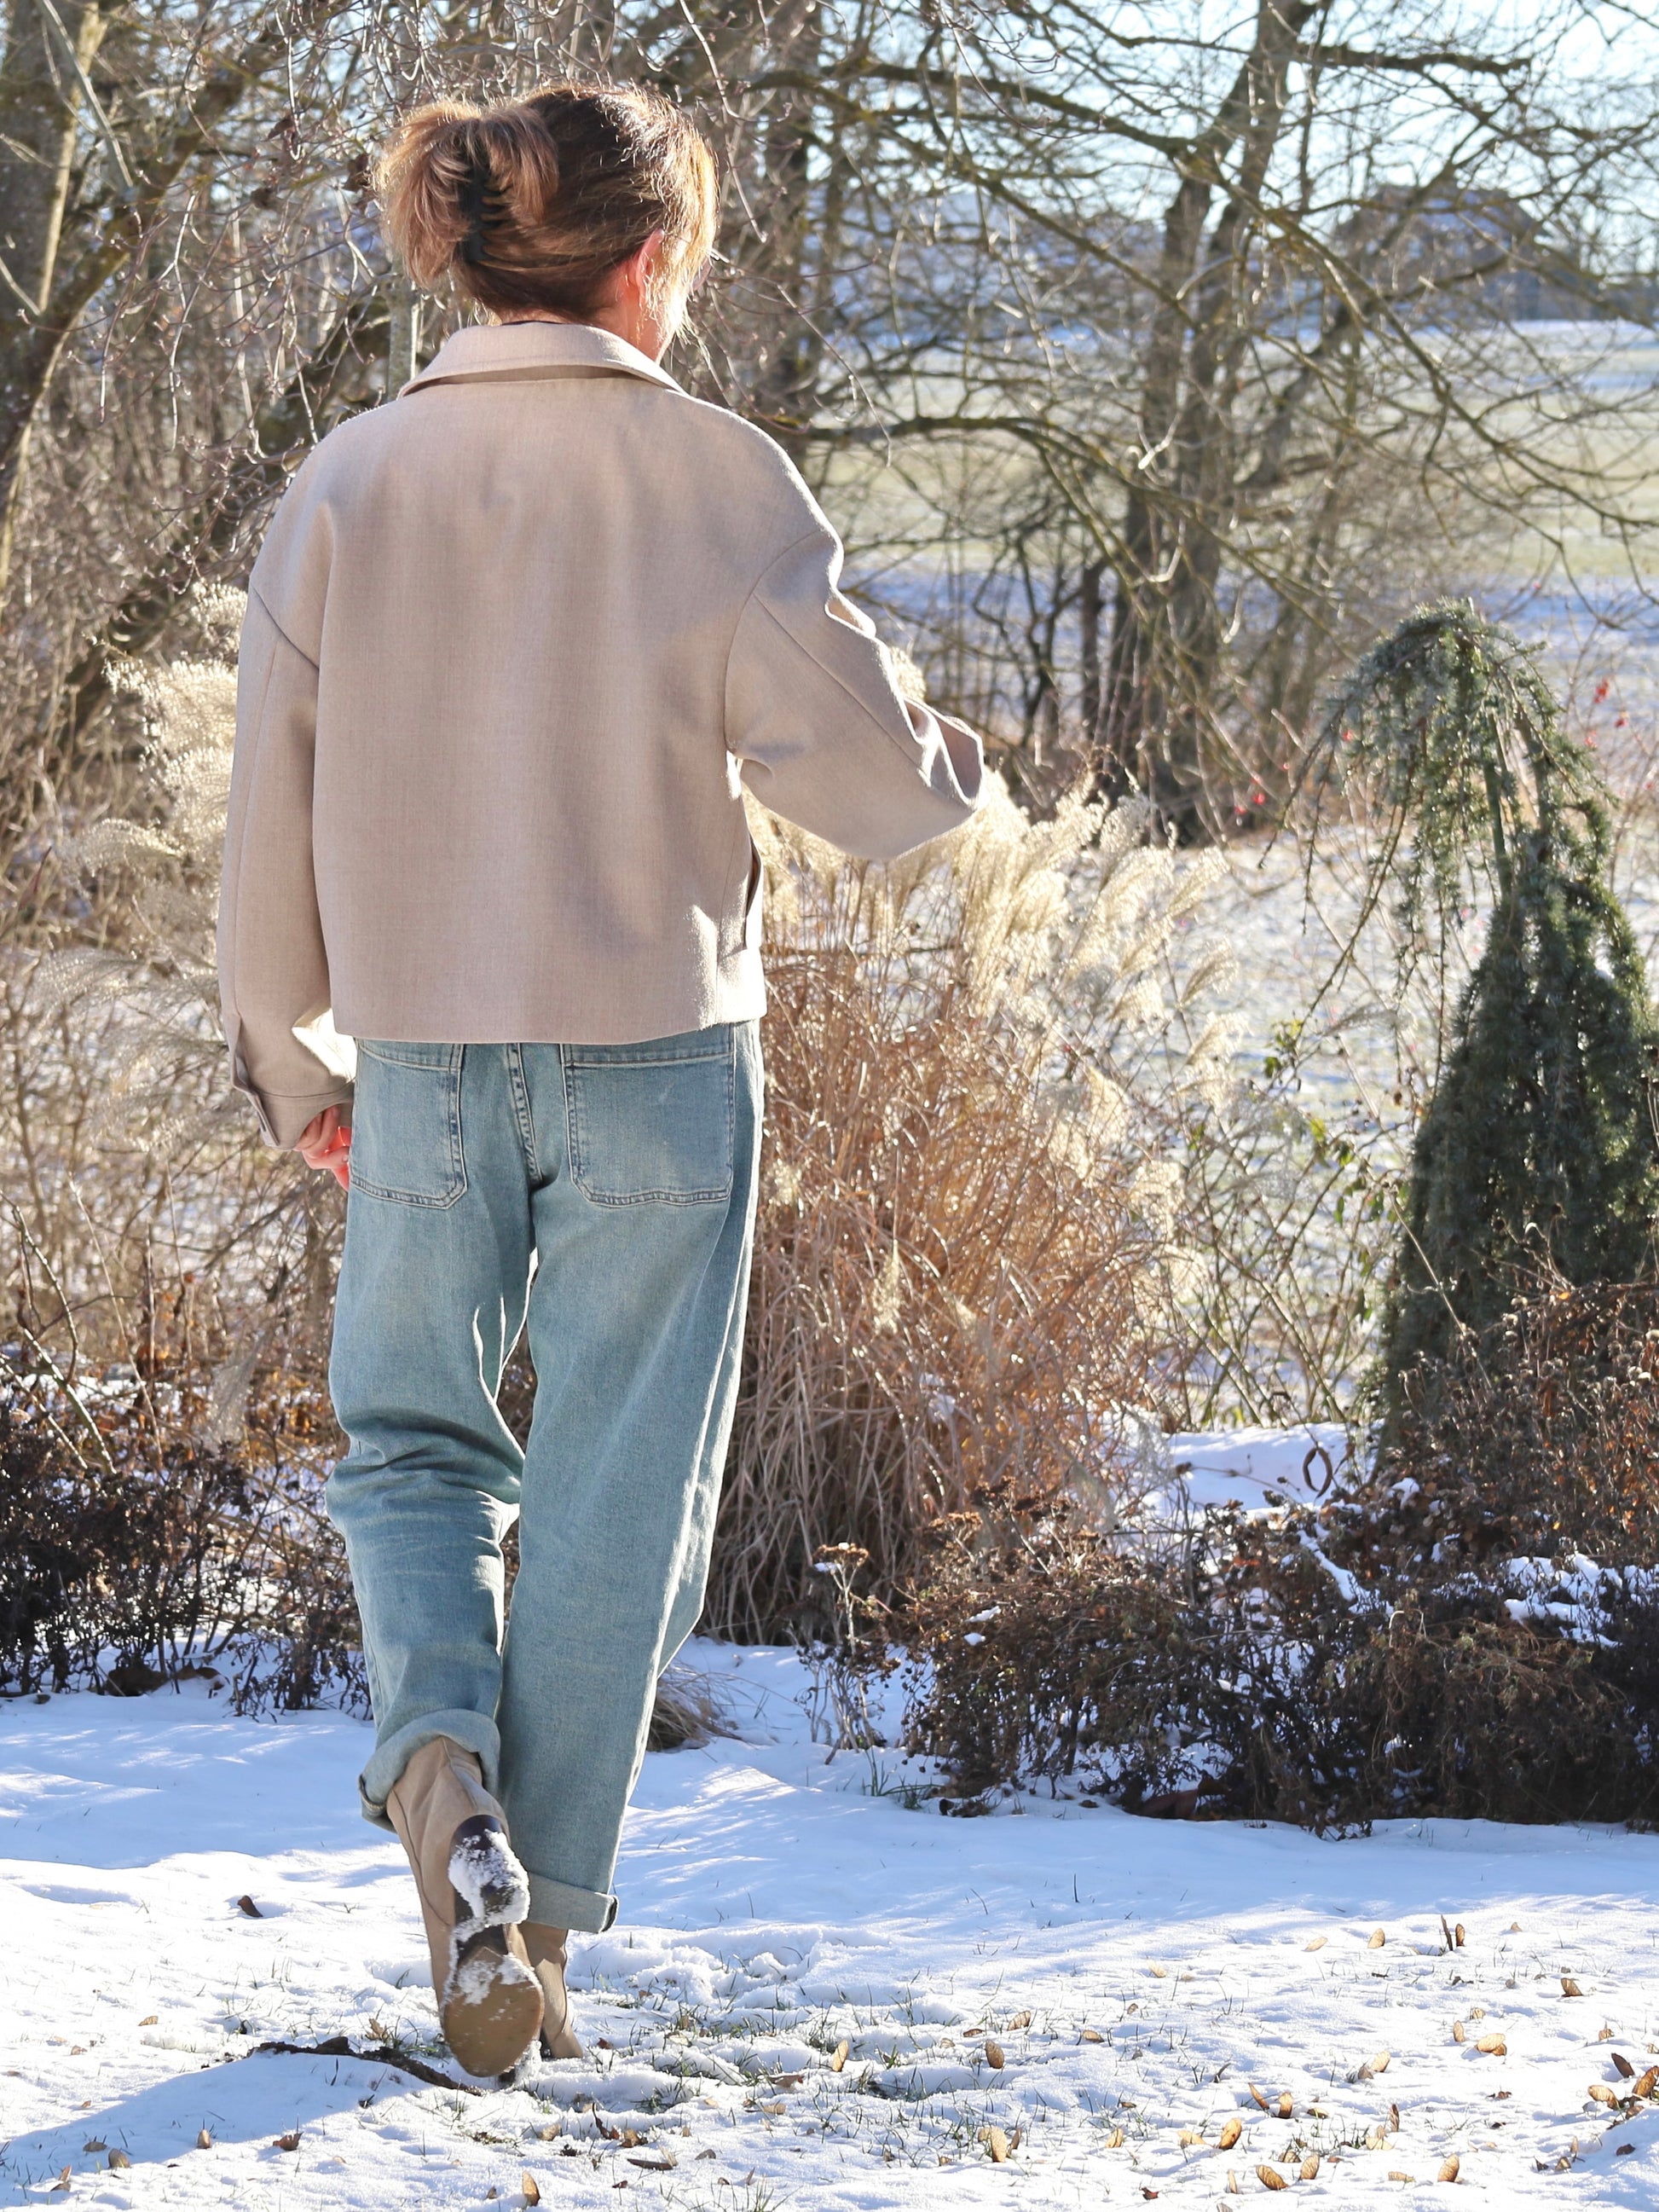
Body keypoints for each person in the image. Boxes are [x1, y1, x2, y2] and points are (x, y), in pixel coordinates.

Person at [217, 79, 982, 2080]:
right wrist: (956, 757)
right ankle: (536, 1928)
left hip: (421, 1056)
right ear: (649, 264)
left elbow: (266, 810)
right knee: (620, 1492)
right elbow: (876, 789)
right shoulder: (721, 479)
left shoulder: (349, 483)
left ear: (477, 252)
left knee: (409, 1443)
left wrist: (296, 1057)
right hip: (660, 1053)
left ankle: (439, 1789)